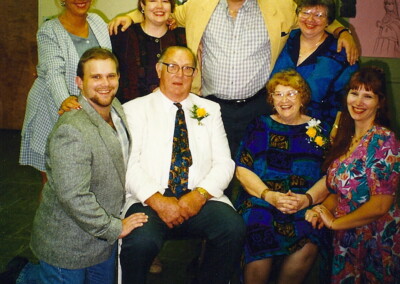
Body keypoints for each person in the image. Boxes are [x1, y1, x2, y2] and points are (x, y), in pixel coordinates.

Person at [108, 0, 359, 155]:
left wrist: (342, 30)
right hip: (212, 107)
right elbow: (162, 11)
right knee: (213, 169)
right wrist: (129, 16)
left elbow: (312, 17)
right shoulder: (198, 5)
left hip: (258, 106)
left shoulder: (279, 6)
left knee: (256, 167)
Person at [120, 46, 246, 284]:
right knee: (140, 242)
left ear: (194, 75)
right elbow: (129, 165)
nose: (180, 74)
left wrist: (198, 196)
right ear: (159, 69)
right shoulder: (134, 110)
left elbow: (224, 163)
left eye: (188, 69)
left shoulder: (209, 110)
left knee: (233, 229)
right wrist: (158, 201)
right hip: (149, 198)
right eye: (173, 67)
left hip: (197, 196)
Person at [30, 47, 148, 284]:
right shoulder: (71, 129)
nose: (105, 83)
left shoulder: (116, 108)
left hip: (101, 242)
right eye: (95, 77)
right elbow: (74, 196)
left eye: (110, 76)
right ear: (79, 82)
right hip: (68, 246)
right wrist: (115, 228)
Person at [235, 69, 332, 284]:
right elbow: (242, 169)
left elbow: (330, 175)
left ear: (302, 97)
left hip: (305, 201)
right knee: (259, 230)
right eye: (278, 94)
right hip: (261, 198)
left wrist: (306, 199)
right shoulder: (259, 126)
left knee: (310, 236)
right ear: (271, 99)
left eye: (291, 93)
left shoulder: (317, 129)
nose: (284, 100)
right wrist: (270, 196)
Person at [305, 66, 400, 283]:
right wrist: (321, 210)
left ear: (380, 102)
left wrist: (336, 223)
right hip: (345, 239)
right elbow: (338, 191)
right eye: (354, 93)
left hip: (375, 237)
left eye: (368, 96)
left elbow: (381, 204)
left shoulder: (385, 141)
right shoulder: (342, 134)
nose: (358, 102)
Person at [19, 0, 111, 187]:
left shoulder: (98, 22)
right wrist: (65, 99)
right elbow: (54, 72)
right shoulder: (49, 30)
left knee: (84, 177)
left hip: (88, 110)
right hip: (51, 109)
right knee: (53, 183)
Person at [271, 0, 359, 127]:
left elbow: (346, 101)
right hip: (277, 125)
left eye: (318, 15)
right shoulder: (286, 39)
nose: (310, 19)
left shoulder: (341, 54)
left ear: (329, 21)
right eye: (305, 12)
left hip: (318, 130)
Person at [111, 0, 186, 103]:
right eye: (153, 0)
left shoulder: (182, 38)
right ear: (142, 4)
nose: (159, 6)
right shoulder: (123, 35)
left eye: (165, 1)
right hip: (131, 112)